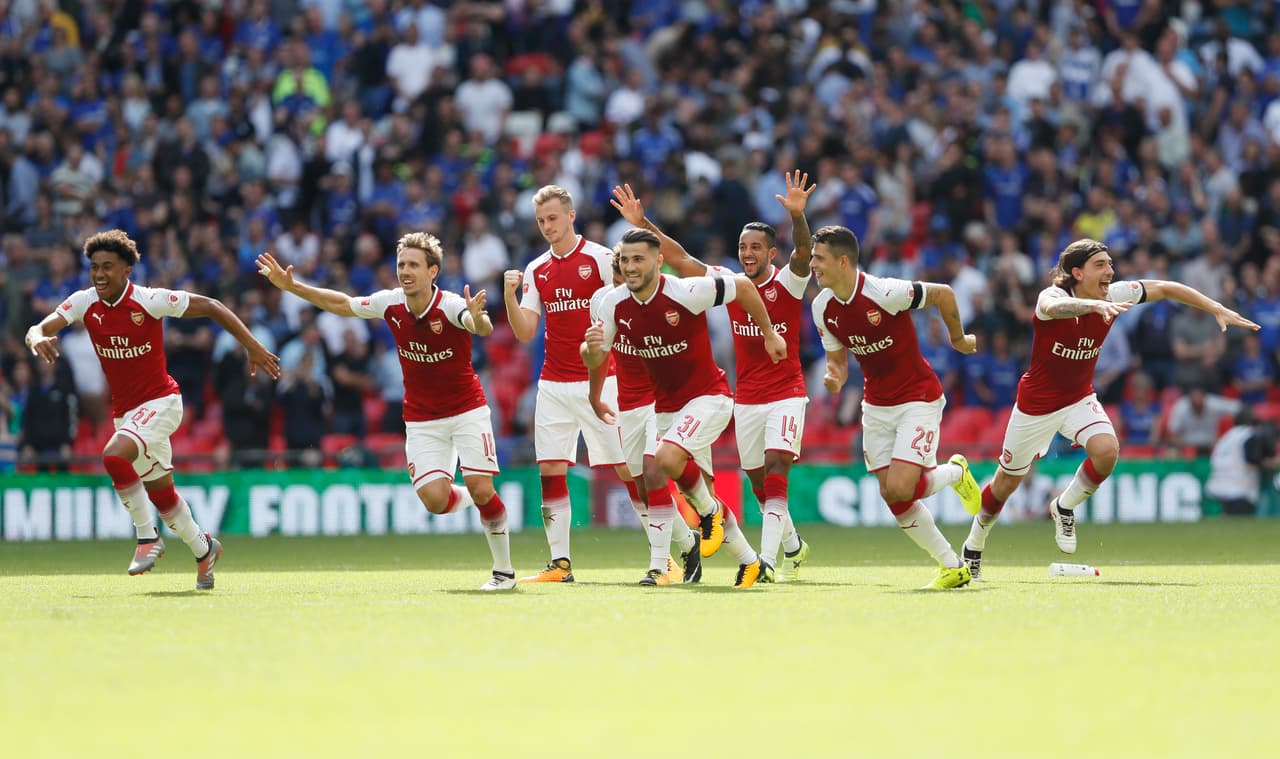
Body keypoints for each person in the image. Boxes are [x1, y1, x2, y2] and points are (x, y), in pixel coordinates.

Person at [962, 239, 1260, 579]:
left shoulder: (1114, 295)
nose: (1110, 271)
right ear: (1077, 273)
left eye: (1110, 263)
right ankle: (974, 544)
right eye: (1101, 265)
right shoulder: (1055, 298)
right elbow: (1052, 306)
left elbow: (1163, 287)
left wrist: (1215, 308)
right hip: (1036, 406)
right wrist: (1091, 307)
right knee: (1005, 484)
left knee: (1106, 452)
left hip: (1078, 399)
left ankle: (1063, 506)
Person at [256, 235, 517, 591]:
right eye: (401, 265)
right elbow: (344, 304)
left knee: (482, 485)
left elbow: (478, 326)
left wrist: (478, 319)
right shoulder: (390, 303)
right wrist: (292, 286)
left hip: (466, 409)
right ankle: (476, 494)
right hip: (422, 418)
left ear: (433, 271)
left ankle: (503, 573)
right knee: (435, 500)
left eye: (413, 265)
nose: (405, 271)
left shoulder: (452, 305)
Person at [25, 230, 281, 589]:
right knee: (163, 496)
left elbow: (212, 306)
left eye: (108, 268)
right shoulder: (84, 303)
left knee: (114, 456)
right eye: (95, 267)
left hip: (162, 403)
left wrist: (251, 346)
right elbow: (39, 327)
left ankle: (147, 537)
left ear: (127, 270)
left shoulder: (149, 301)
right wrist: (37, 337)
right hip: (127, 414)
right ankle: (204, 549)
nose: (99, 275)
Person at [608, 174, 813, 580]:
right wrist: (643, 224)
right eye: (742, 247)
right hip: (747, 396)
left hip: (786, 391)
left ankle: (768, 563)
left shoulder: (787, 282)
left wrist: (797, 217)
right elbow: (680, 258)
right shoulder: (725, 281)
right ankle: (788, 545)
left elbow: (804, 252)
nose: (748, 253)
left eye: (756, 247)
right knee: (758, 484)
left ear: (772, 252)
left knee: (774, 470)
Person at [583, 228, 787, 587]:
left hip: (709, 397)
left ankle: (664, 562)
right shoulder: (612, 304)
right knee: (669, 481)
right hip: (665, 408)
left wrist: (769, 333)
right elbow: (597, 355)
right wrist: (591, 350)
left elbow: (742, 286)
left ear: (658, 262)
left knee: (664, 462)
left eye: (638, 260)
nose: (630, 267)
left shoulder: (686, 291)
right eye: (626, 260)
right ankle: (747, 559)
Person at [809, 225, 980, 590]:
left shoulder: (884, 292)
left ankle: (954, 472)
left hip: (917, 398)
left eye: (819, 258)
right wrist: (835, 378)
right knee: (891, 495)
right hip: (876, 404)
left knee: (903, 486)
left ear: (843, 261)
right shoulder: (822, 307)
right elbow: (837, 360)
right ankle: (952, 566)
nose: (813, 265)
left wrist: (958, 339)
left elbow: (944, 294)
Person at [502, 185, 631, 583]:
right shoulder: (537, 269)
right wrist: (509, 295)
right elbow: (525, 331)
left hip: (600, 379)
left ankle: (675, 546)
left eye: (553, 218)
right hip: (554, 385)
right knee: (551, 469)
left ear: (571, 216)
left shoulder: (601, 259)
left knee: (630, 469)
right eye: (541, 221)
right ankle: (560, 563)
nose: (547, 227)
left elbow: (626, 309)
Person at [583, 245, 698, 582]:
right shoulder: (605, 302)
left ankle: (658, 564)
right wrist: (594, 391)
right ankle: (688, 543)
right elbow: (598, 354)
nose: (627, 276)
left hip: (659, 397)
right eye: (621, 270)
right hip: (624, 397)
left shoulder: (665, 294)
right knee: (637, 482)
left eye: (633, 267)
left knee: (653, 471)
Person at [1207, 409, 1278, 516]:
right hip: (1238, 488)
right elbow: (1252, 461)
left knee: (1228, 519)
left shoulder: (1226, 437)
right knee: (1239, 523)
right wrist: (1272, 462)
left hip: (1218, 484)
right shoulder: (1249, 435)